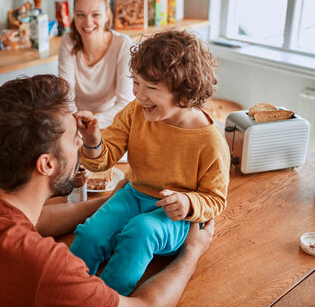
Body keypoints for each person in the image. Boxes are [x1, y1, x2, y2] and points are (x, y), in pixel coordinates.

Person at [0, 74, 215, 307]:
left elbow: (32, 222)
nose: (80, 143)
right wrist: (191, 254)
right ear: (46, 164)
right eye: (74, 138)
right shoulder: (45, 266)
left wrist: (106, 202)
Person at [71, 30, 230, 296]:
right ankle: (67, 287)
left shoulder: (211, 142)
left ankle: (109, 299)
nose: (139, 95)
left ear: (184, 96)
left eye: (152, 88)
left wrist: (188, 203)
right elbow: (103, 159)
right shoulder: (135, 112)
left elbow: (215, 199)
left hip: (173, 217)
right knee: (90, 234)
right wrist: (92, 140)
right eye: (137, 83)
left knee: (140, 230)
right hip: (133, 195)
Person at [58, 0, 134, 129]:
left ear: (107, 14)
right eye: (81, 15)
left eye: (95, 14)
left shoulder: (122, 43)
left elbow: (125, 103)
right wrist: (80, 122)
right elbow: (66, 98)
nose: (88, 22)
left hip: (112, 123)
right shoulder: (68, 41)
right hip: (77, 123)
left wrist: (92, 120)